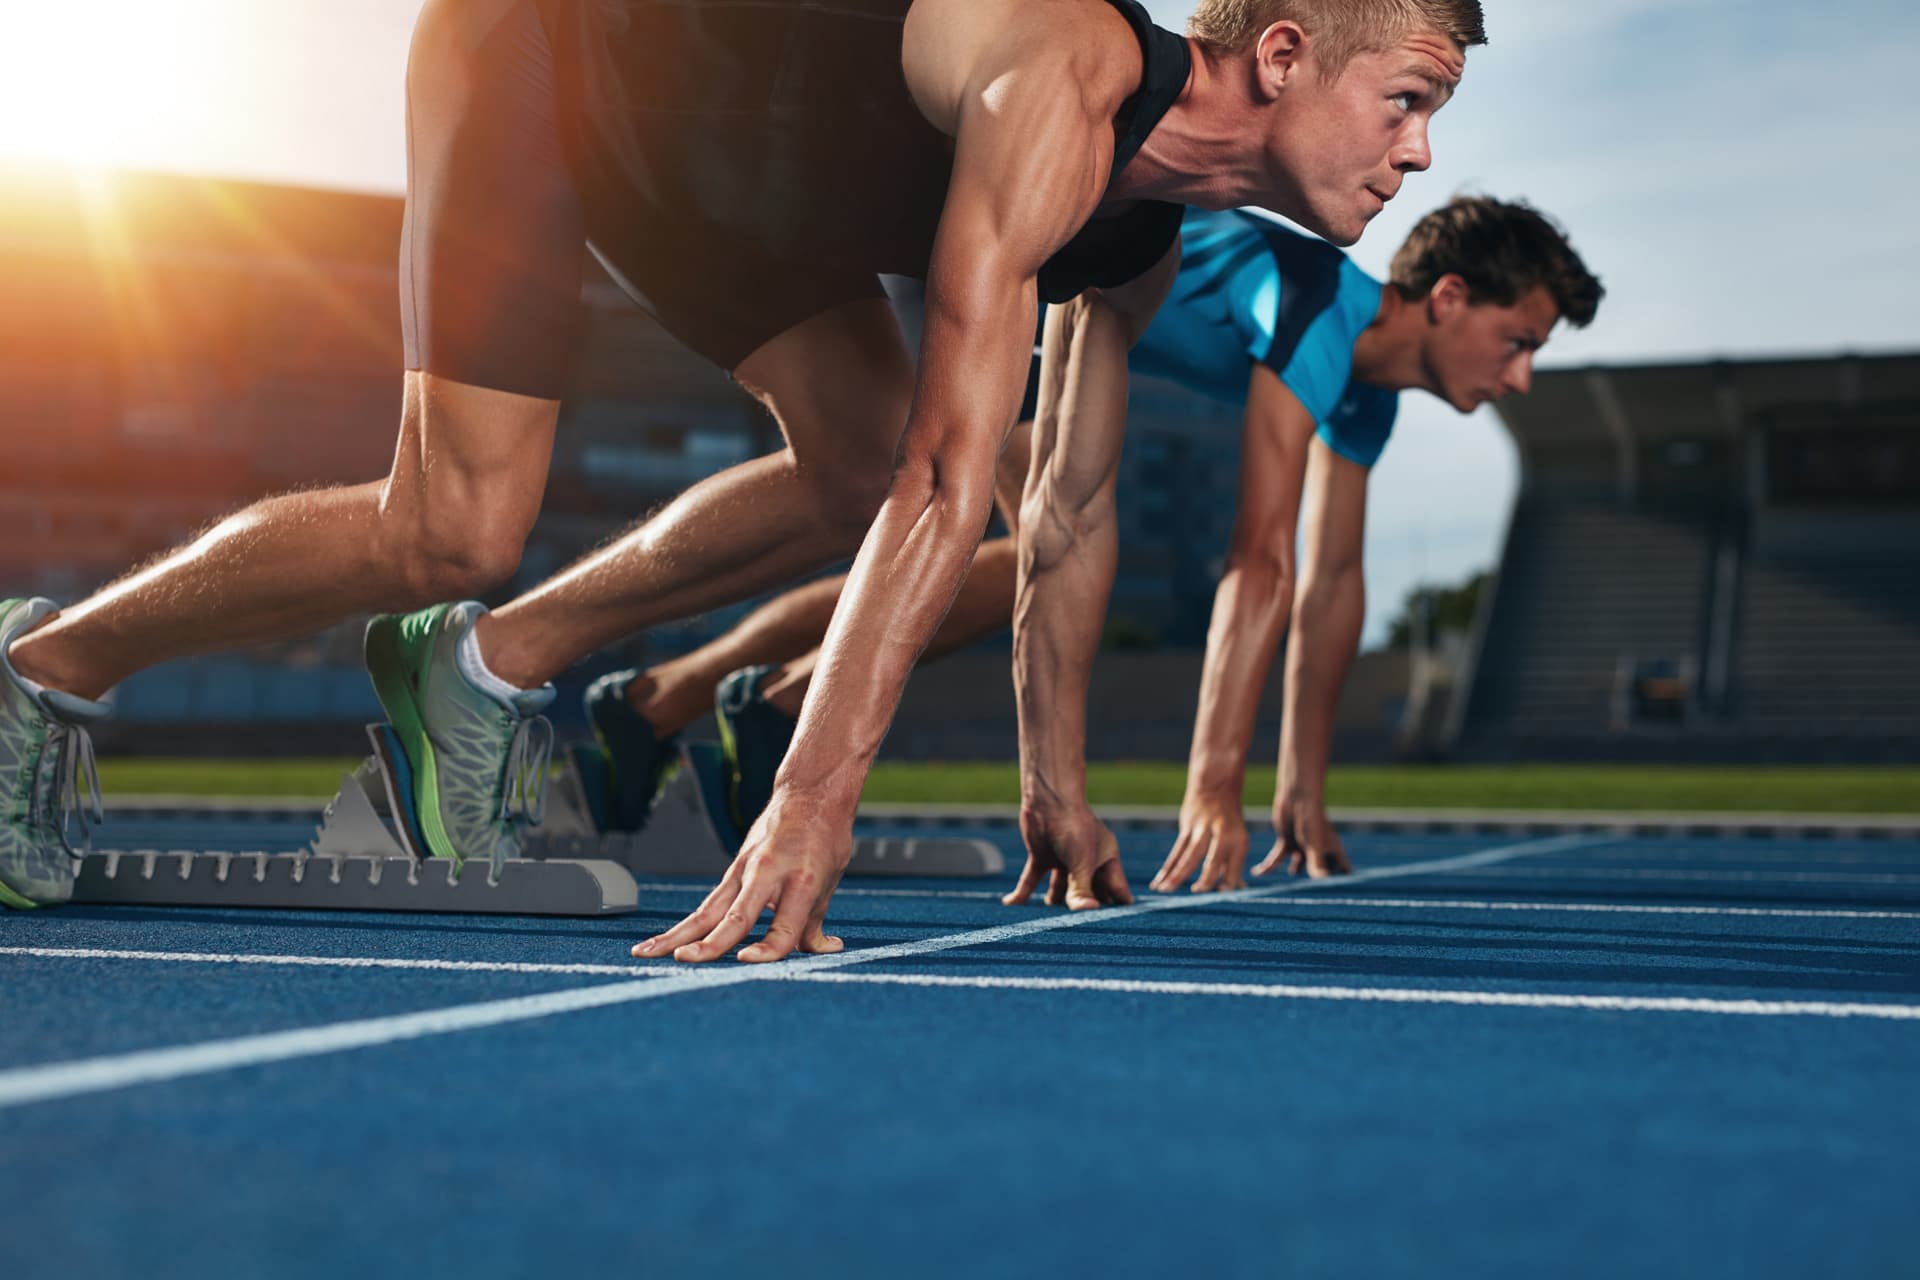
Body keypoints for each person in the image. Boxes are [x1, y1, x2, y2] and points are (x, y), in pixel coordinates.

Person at [0, 0, 1486, 934]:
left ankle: (483, 675)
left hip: (738, 201)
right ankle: (43, 669)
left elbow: (1066, 511)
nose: (1420, 156)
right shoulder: (1060, 73)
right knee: (451, 525)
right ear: (1282, 54)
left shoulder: (1137, 238)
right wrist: (814, 795)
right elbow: (943, 475)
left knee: (849, 467)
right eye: (1406, 101)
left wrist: (1057, 784)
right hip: (559, 57)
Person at [589, 197, 1603, 899]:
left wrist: (1300, 788)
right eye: (1522, 341)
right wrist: (1213, 785)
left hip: (1067, 342)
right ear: (1451, 297)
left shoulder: (1366, 400)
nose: (1520, 378)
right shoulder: (1316, 309)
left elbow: (1332, 582)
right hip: (1022, 292)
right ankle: (716, 697)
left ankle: (699, 697)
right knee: (1029, 550)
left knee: (999, 571)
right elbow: (1260, 559)